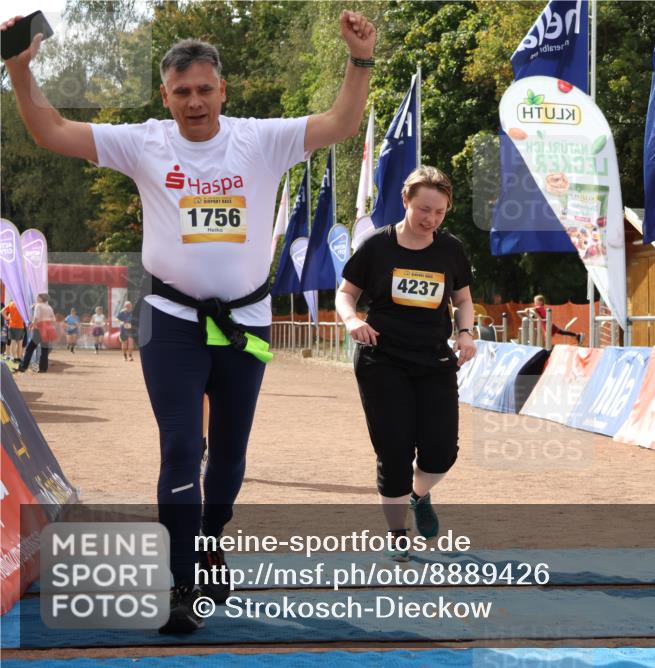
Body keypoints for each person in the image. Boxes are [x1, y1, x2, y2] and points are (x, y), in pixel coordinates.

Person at [2, 9, 375, 634]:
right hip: (169, 318)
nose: (194, 102)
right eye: (182, 92)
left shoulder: (261, 138)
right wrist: (19, 70)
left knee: (229, 454)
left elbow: (341, 122)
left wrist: (358, 60)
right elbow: (52, 131)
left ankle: (209, 535)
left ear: (222, 90)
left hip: (247, 323)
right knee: (181, 444)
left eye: (205, 89)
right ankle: (180, 583)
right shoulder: (144, 141)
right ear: (165, 96)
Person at [336, 166, 476, 563]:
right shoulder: (377, 247)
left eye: (440, 212)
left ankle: (419, 496)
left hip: (434, 359)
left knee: (441, 452)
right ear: (405, 202)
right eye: (423, 209)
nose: (430, 219)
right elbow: (346, 293)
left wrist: (465, 333)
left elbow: (463, 299)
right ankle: (398, 533)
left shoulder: (450, 249)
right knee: (394, 450)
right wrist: (352, 320)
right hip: (383, 359)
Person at [14, 294, 56, 374]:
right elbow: (53, 319)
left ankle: (23, 367)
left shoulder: (38, 306)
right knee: (44, 350)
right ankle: (43, 369)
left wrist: (32, 325)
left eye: (38, 297)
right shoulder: (49, 307)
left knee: (30, 349)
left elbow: (36, 318)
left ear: (40, 298)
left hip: (39, 329)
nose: (37, 298)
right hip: (47, 329)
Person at [518, 295, 583, 344]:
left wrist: (527, 309)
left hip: (549, 325)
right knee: (562, 332)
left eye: (536, 302)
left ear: (540, 302)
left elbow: (533, 309)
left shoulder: (540, 307)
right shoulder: (539, 308)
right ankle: (577, 335)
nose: (535, 303)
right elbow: (533, 311)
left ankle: (577, 335)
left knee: (552, 336)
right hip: (548, 325)